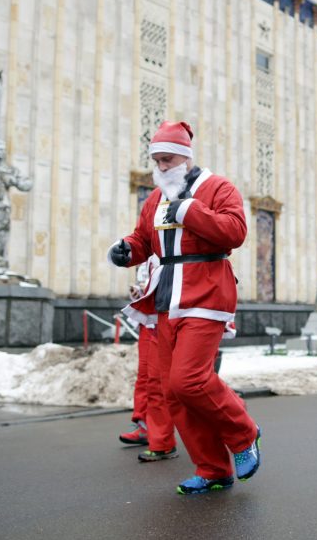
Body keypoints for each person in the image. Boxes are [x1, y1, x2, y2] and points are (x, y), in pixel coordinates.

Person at [108, 120, 260, 495]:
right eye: (156, 160)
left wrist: (190, 211)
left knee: (188, 380)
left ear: (186, 156)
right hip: (166, 299)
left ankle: (244, 434)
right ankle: (212, 469)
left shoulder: (217, 187)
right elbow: (144, 239)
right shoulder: (155, 199)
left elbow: (235, 231)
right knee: (172, 393)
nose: (161, 167)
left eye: (168, 159)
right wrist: (126, 250)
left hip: (207, 293)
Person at [118, 254, 179, 461]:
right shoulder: (149, 249)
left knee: (188, 383)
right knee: (148, 378)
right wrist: (140, 292)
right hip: (151, 320)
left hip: (177, 318)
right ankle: (153, 434)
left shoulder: (175, 241)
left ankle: (230, 427)